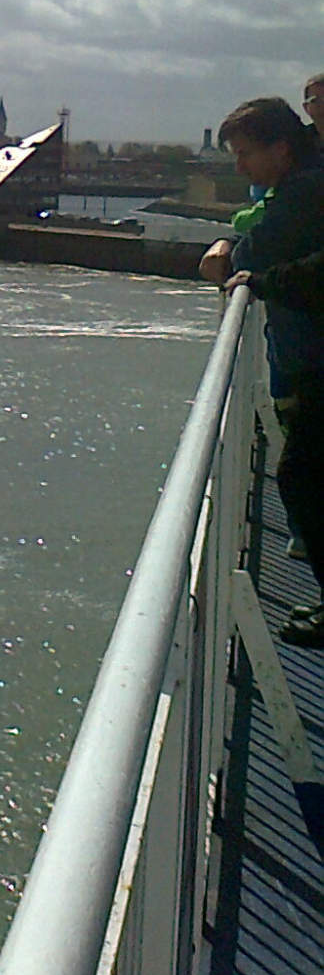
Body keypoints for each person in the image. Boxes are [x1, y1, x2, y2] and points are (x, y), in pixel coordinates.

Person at [201, 98, 324, 644]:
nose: (240, 165)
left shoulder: (305, 191)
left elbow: (260, 253)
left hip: (316, 360)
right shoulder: (306, 181)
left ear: (281, 148)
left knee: (301, 476)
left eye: (246, 153)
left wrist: (239, 258)